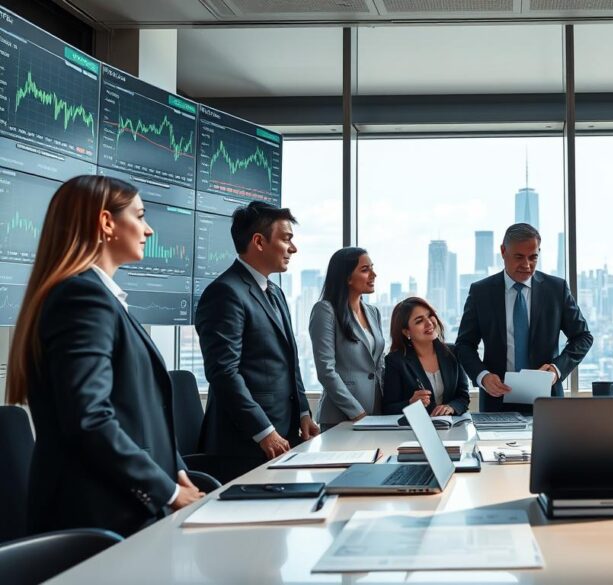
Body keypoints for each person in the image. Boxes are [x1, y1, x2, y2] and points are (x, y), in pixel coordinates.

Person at [6, 176, 203, 536]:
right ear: (106, 223)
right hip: (101, 519)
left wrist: (175, 471)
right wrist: (169, 491)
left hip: (125, 508)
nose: (149, 230)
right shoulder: (83, 298)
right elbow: (90, 418)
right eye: (140, 216)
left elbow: (141, 410)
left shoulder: (97, 296)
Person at [196, 202, 318, 472]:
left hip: (284, 436)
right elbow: (223, 373)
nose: (293, 249)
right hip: (245, 444)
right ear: (259, 242)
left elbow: (290, 359)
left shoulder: (275, 291)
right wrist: (264, 432)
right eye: (286, 239)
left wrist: (303, 413)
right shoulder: (225, 293)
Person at [456, 223, 593, 413]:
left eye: (533, 257)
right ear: (503, 251)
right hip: (496, 400)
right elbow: (464, 344)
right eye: (519, 257)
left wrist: (556, 369)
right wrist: (483, 376)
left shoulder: (556, 289)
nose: (527, 265)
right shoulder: (481, 292)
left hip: (546, 398)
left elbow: (583, 337)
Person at [309, 247, 385, 429]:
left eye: (372, 268)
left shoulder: (373, 312)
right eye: (365, 270)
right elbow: (326, 371)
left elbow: (379, 364)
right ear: (347, 277)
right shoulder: (325, 311)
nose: (374, 274)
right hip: (341, 416)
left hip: (377, 413)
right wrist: (357, 412)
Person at [382, 297, 471, 416]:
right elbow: (389, 408)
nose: (429, 323)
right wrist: (411, 402)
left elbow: (463, 397)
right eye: (419, 321)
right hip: (415, 430)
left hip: (451, 426)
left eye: (430, 315)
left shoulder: (452, 352)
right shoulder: (395, 361)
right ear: (406, 332)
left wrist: (451, 407)